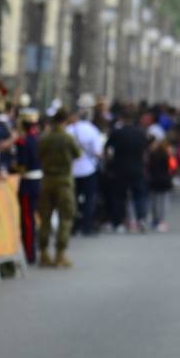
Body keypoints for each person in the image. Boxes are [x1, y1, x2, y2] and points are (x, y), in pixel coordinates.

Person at [37, 108, 83, 268]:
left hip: (47, 180)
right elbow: (78, 154)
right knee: (65, 217)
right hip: (64, 181)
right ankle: (60, 254)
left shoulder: (45, 138)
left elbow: (39, 154)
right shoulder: (68, 138)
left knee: (45, 219)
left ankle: (43, 253)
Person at [105, 107, 147, 232]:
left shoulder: (117, 133)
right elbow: (145, 151)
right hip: (137, 167)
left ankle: (119, 223)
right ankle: (141, 219)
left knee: (119, 196)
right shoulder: (140, 133)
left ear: (122, 119)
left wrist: (110, 162)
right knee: (139, 195)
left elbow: (108, 149)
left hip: (120, 168)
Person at [66, 107, 105, 235]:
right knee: (89, 199)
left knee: (73, 199)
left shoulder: (69, 130)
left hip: (72, 169)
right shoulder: (92, 130)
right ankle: (86, 226)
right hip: (88, 169)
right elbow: (98, 152)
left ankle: (73, 226)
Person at [15, 107, 42, 263]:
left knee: (27, 219)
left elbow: (22, 165)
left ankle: (29, 253)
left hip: (28, 182)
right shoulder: (38, 138)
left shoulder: (24, 141)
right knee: (32, 218)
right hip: (38, 181)